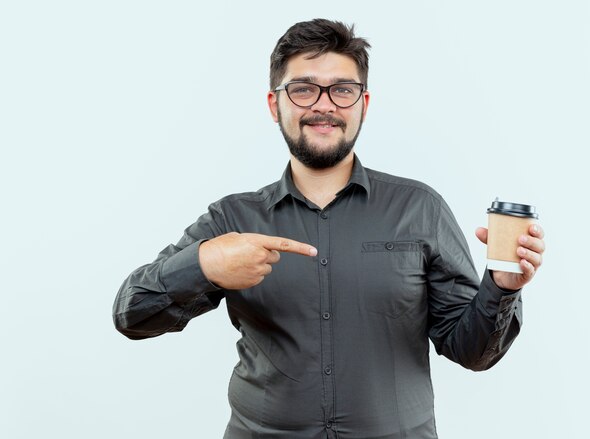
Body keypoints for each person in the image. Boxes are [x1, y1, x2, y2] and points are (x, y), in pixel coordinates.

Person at [113, 18, 545, 439]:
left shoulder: (420, 209)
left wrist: (502, 287)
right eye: (302, 89)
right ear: (274, 104)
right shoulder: (232, 221)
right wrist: (203, 264)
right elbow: (132, 315)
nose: (324, 105)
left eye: (342, 90)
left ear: (363, 104)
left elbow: (471, 351)